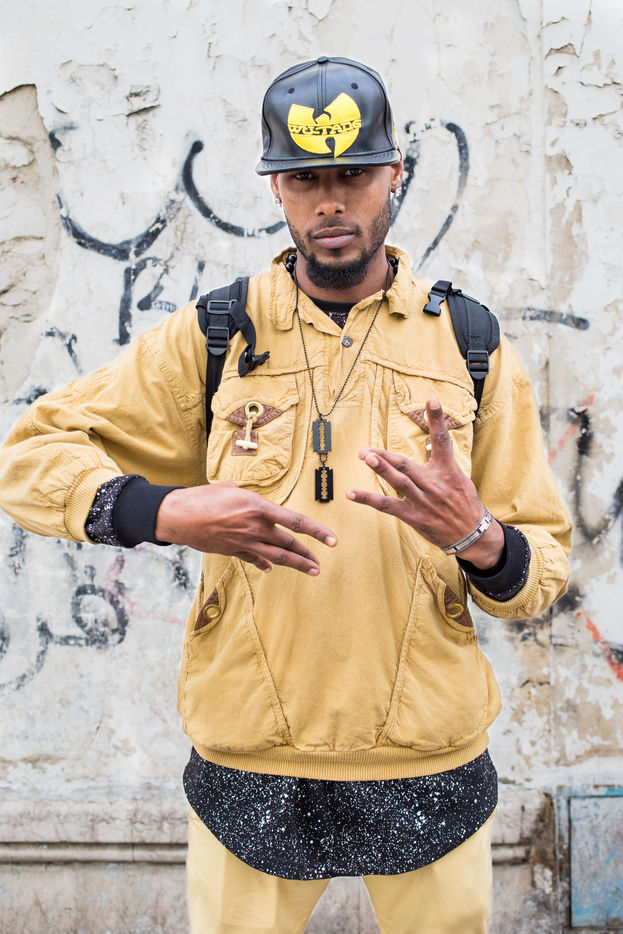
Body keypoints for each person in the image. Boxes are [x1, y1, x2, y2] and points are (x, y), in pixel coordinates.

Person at [0, 56, 570, 933]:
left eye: (353, 176)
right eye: (305, 180)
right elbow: (28, 456)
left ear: (394, 174)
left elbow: (542, 569)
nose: (330, 203)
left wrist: (481, 538)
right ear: (276, 187)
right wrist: (163, 512)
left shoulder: (468, 343)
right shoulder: (216, 334)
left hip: (427, 752)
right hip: (250, 753)